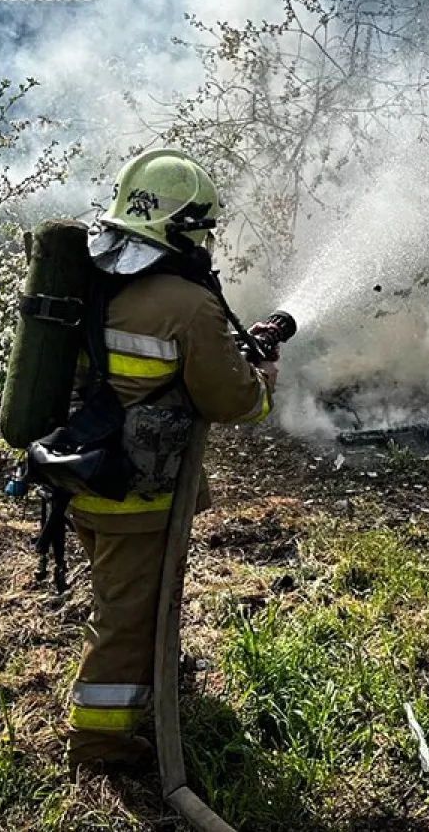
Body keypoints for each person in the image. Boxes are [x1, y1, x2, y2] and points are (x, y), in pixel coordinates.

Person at [65, 148, 276, 774]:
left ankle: (156, 678)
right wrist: (263, 376)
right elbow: (236, 403)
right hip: (138, 496)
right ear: (181, 230)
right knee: (126, 617)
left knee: (125, 599)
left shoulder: (91, 280)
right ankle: (99, 741)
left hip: (79, 473)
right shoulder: (186, 305)